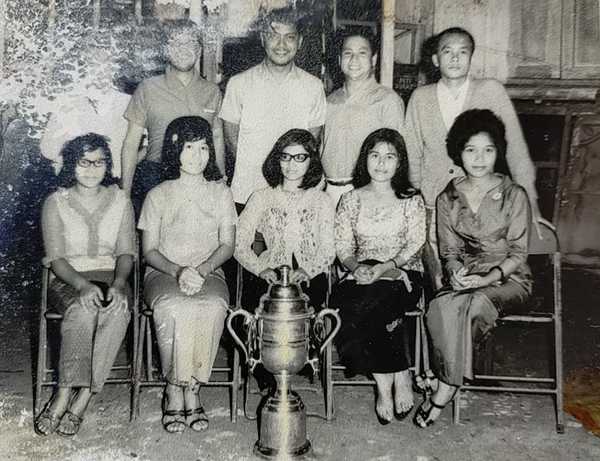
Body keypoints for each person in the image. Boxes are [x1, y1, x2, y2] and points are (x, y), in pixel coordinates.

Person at [414, 109, 532, 428]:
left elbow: (519, 253)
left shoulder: (514, 194)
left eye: (488, 150)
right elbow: (450, 250)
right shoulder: (448, 197)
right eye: (471, 150)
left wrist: (487, 278)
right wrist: (453, 271)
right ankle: (449, 376)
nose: (479, 158)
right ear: (458, 152)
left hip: (508, 278)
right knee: (440, 305)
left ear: (498, 152)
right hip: (468, 275)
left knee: (474, 304)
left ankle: (445, 387)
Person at [403, 27, 546, 288]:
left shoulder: (491, 91)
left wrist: (532, 202)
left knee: (484, 282)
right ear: (435, 59)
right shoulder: (420, 98)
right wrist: (417, 196)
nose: (455, 59)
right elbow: (411, 151)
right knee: (439, 277)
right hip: (435, 203)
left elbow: (515, 148)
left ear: (471, 58)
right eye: (448, 52)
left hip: (486, 206)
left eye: (463, 52)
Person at [138, 116, 236, 433]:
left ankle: (192, 388)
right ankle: (173, 387)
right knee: (174, 305)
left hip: (209, 273)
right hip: (164, 271)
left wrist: (202, 269)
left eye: (204, 147)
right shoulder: (158, 194)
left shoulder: (221, 193)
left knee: (211, 306)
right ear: (174, 149)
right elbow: (149, 250)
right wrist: (179, 270)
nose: (197, 155)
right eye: (189, 147)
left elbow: (227, 245)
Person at [35, 134, 136, 436]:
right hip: (68, 277)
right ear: (72, 165)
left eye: (99, 162)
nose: (92, 169)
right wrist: (81, 285)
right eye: (84, 162)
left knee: (116, 311)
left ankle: (86, 395)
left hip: (110, 276)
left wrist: (119, 283)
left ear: (108, 165)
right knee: (82, 311)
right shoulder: (56, 202)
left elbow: (126, 253)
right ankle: (64, 391)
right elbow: (56, 259)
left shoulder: (121, 200)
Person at [332, 128, 426, 425]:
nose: (381, 163)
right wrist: (353, 266)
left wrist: (384, 268)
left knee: (375, 300)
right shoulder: (350, 199)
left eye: (389, 156)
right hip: (360, 272)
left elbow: (415, 244)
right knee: (354, 301)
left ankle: (389, 385)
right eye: (375, 155)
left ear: (400, 162)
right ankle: (395, 378)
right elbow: (343, 247)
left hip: (403, 271)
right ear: (365, 159)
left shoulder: (411, 199)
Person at [219, 6, 326, 209]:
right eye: (273, 36)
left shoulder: (314, 87)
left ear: (300, 41)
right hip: (247, 193)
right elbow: (232, 142)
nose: (281, 45)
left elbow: (312, 141)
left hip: (294, 195)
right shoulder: (238, 84)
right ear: (262, 38)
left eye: (289, 37)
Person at [121, 20, 225, 213]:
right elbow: (130, 144)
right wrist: (125, 195)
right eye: (176, 43)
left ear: (200, 50)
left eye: (190, 43)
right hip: (155, 176)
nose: (183, 49)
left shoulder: (212, 91)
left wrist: (220, 180)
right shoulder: (148, 88)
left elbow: (217, 138)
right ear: (165, 49)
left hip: (200, 176)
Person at [235, 129, 334, 311]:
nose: (291, 164)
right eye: (285, 157)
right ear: (277, 159)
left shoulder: (322, 200)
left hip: (310, 276)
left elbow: (328, 249)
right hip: (269, 274)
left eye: (299, 157)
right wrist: (259, 269)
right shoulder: (261, 197)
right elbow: (238, 242)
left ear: (311, 160)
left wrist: (308, 270)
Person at [321, 28, 405, 205]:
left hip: (369, 192)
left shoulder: (387, 100)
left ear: (373, 59)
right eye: (348, 53)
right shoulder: (329, 101)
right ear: (339, 59)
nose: (354, 60)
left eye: (361, 53)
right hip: (328, 192)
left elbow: (397, 154)